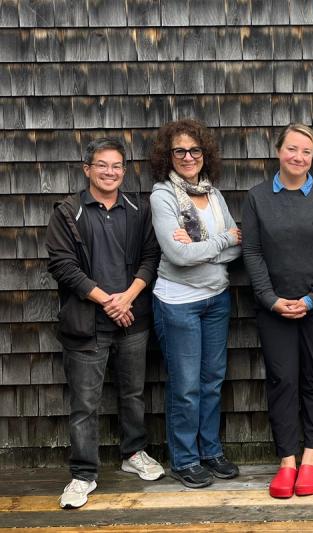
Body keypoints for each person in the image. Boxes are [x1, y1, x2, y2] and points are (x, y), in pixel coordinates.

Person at [46, 137, 164, 509]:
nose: (110, 172)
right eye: (102, 165)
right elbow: (63, 267)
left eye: (116, 166)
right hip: (86, 324)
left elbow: (151, 257)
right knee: (85, 403)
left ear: (123, 171)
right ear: (87, 169)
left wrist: (128, 297)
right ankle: (83, 474)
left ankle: (133, 455)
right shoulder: (67, 212)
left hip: (133, 320)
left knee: (133, 394)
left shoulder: (137, 210)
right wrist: (108, 302)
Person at [242, 124, 313, 499]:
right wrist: (271, 298)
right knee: (282, 381)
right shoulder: (256, 198)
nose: (298, 157)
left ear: (312, 158)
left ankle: (310, 459)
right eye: (292, 149)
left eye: (306, 151)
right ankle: (287, 460)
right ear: (279, 151)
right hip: (274, 309)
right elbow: (251, 252)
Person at [149, 119, 242, 489]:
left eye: (195, 150)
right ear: (167, 156)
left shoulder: (214, 194)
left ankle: (210, 450)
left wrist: (203, 247)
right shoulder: (163, 196)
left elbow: (238, 244)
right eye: (179, 151)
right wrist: (220, 242)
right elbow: (176, 255)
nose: (188, 157)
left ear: (205, 154)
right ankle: (185, 459)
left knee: (212, 381)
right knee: (186, 386)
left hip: (216, 299)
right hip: (179, 304)